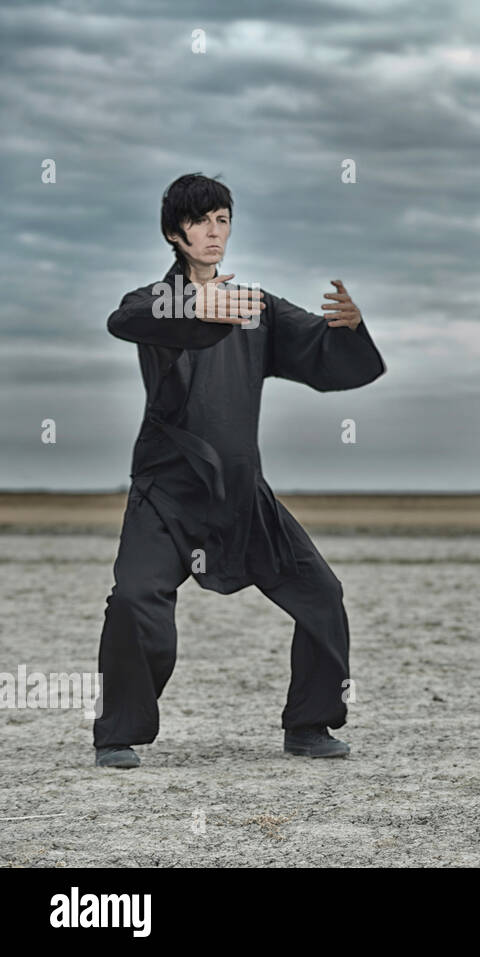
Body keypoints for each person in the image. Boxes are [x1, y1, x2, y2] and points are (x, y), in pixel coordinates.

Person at [93, 173, 386, 768]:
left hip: (240, 491)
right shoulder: (162, 300)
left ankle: (309, 725)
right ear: (175, 233)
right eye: (200, 221)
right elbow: (124, 318)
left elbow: (321, 351)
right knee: (134, 599)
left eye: (222, 219)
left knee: (322, 595)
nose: (213, 232)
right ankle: (118, 734)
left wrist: (350, 329)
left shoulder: (256, 307)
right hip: (166, 488)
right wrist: (198, 304)